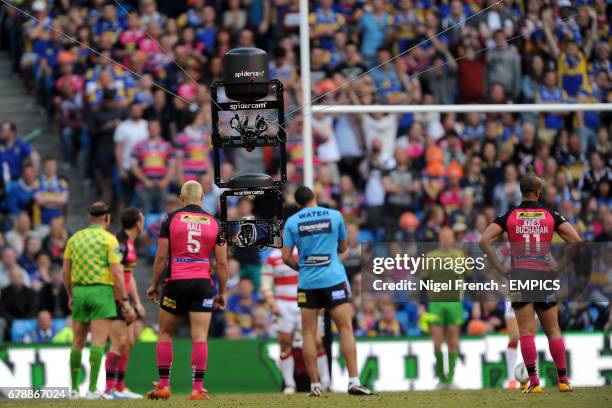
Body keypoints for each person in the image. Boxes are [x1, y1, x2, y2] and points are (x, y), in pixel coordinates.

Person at [480, 175, 582, 394]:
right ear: (538, 191)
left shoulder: (509, 216)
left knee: (526, 332)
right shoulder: (550, 215)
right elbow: (576, 240)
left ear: (521, 191)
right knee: (553, 330)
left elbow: (484, 241)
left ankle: (534, 382)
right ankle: (563, 380)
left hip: (519, 276)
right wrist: (559, 266)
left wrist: (500, 269)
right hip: (544, 275)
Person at [282, 186, 372, 396]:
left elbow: (285, 257)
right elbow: (343, 248)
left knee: (308, 333)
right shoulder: (335, 215)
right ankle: (353, 381)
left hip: (308, 283)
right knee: (345, 329)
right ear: (315, 197)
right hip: (333, 280)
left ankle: (315, 385)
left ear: (297, 204)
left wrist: (302, 267)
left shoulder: (292, 222)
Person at [145, 180, 228, 401]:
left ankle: (163, 386)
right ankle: (197, 389)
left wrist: (154, 284)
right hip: (202, 283)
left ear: (182, 198)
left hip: (176, 281)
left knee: (165, 334)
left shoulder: (170, 219)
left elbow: (161, 257)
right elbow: (221, 264)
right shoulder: (215, 223)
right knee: (200, 337)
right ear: (202, 198)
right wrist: (223, 292)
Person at [63, 202, 135, 399]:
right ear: (107, 218)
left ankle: (74, 390)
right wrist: (125, 300)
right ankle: (93, 389)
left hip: (79, 292)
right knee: (98, 342)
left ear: (90, 217)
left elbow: (66, 271)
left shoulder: (75, 239)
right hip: (101, 292)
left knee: (77, 341)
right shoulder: (109, 240)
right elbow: (117, 272)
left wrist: (70, 295)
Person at [261, 248, 331, 394]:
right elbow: (266, 281)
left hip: (308, 301)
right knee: (285, 343)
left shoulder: (308, 250)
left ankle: (325, 382)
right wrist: (271, 302)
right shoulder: (273, 257)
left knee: (317, 342)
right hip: (283, 304)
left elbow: (320, 277)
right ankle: (289, 384)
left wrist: (322, 300)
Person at [104, 208, 146, 399]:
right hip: (115, 298)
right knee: (118, 342)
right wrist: (125, 302)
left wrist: (137, 302)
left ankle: (120, 387)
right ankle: (108, 389)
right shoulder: (119, 243)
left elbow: (129, 276)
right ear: (138, 223)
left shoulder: (129, 243)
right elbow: (117, 275)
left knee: (128, 343)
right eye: (142, 219)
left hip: (126, 299)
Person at [422, 227, 465, 389]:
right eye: (444, 237)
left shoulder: (460, 256)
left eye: (449, 237)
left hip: (454, 303)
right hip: (436, 304)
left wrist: (475, 302)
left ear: (453, 239)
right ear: (439, 239)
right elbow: (423, 284)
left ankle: (451, 379)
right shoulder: (430, 257)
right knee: (437, 343)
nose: (447, 240)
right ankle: (442, 379)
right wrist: (421, 306)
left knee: (453, 342)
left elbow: (469, 279)